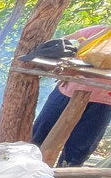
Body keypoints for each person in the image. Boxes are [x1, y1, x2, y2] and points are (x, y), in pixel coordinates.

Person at [32, 25, 111, 166]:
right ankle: (26, 171)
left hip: (102, 102)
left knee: (79, 148)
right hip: (66, 92)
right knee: (38, 137)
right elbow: (63, 44)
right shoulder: (96, 32)